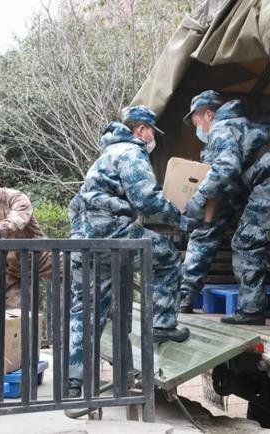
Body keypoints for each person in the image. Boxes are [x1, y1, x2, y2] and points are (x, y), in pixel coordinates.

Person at [67, 106, 199, 398]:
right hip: (111, 233)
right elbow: (145, 200)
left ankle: (73, 382)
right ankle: (162, 324)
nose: (153, 139)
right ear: (141, 129)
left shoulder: (105, 155)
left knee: (86, 309)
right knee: (166, 256)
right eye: (152, 132)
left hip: (84, 238)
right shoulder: (131, 151)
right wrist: (183, 219)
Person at [180, 90, 270, 325]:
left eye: (197, 122)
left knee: (246, 241)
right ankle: (185, 296)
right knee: (228, 232)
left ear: (209, 115)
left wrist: (199, 198)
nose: (198, 130)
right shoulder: (238, 127)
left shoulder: (222, 127)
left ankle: (251, 311)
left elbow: (227, 167)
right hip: (268, 177)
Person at [0, 161, 56, 308]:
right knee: (16, 313)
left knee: (63, 303)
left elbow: (16, 220)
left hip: (41, 258)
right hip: (13, 269)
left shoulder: (16, 197)